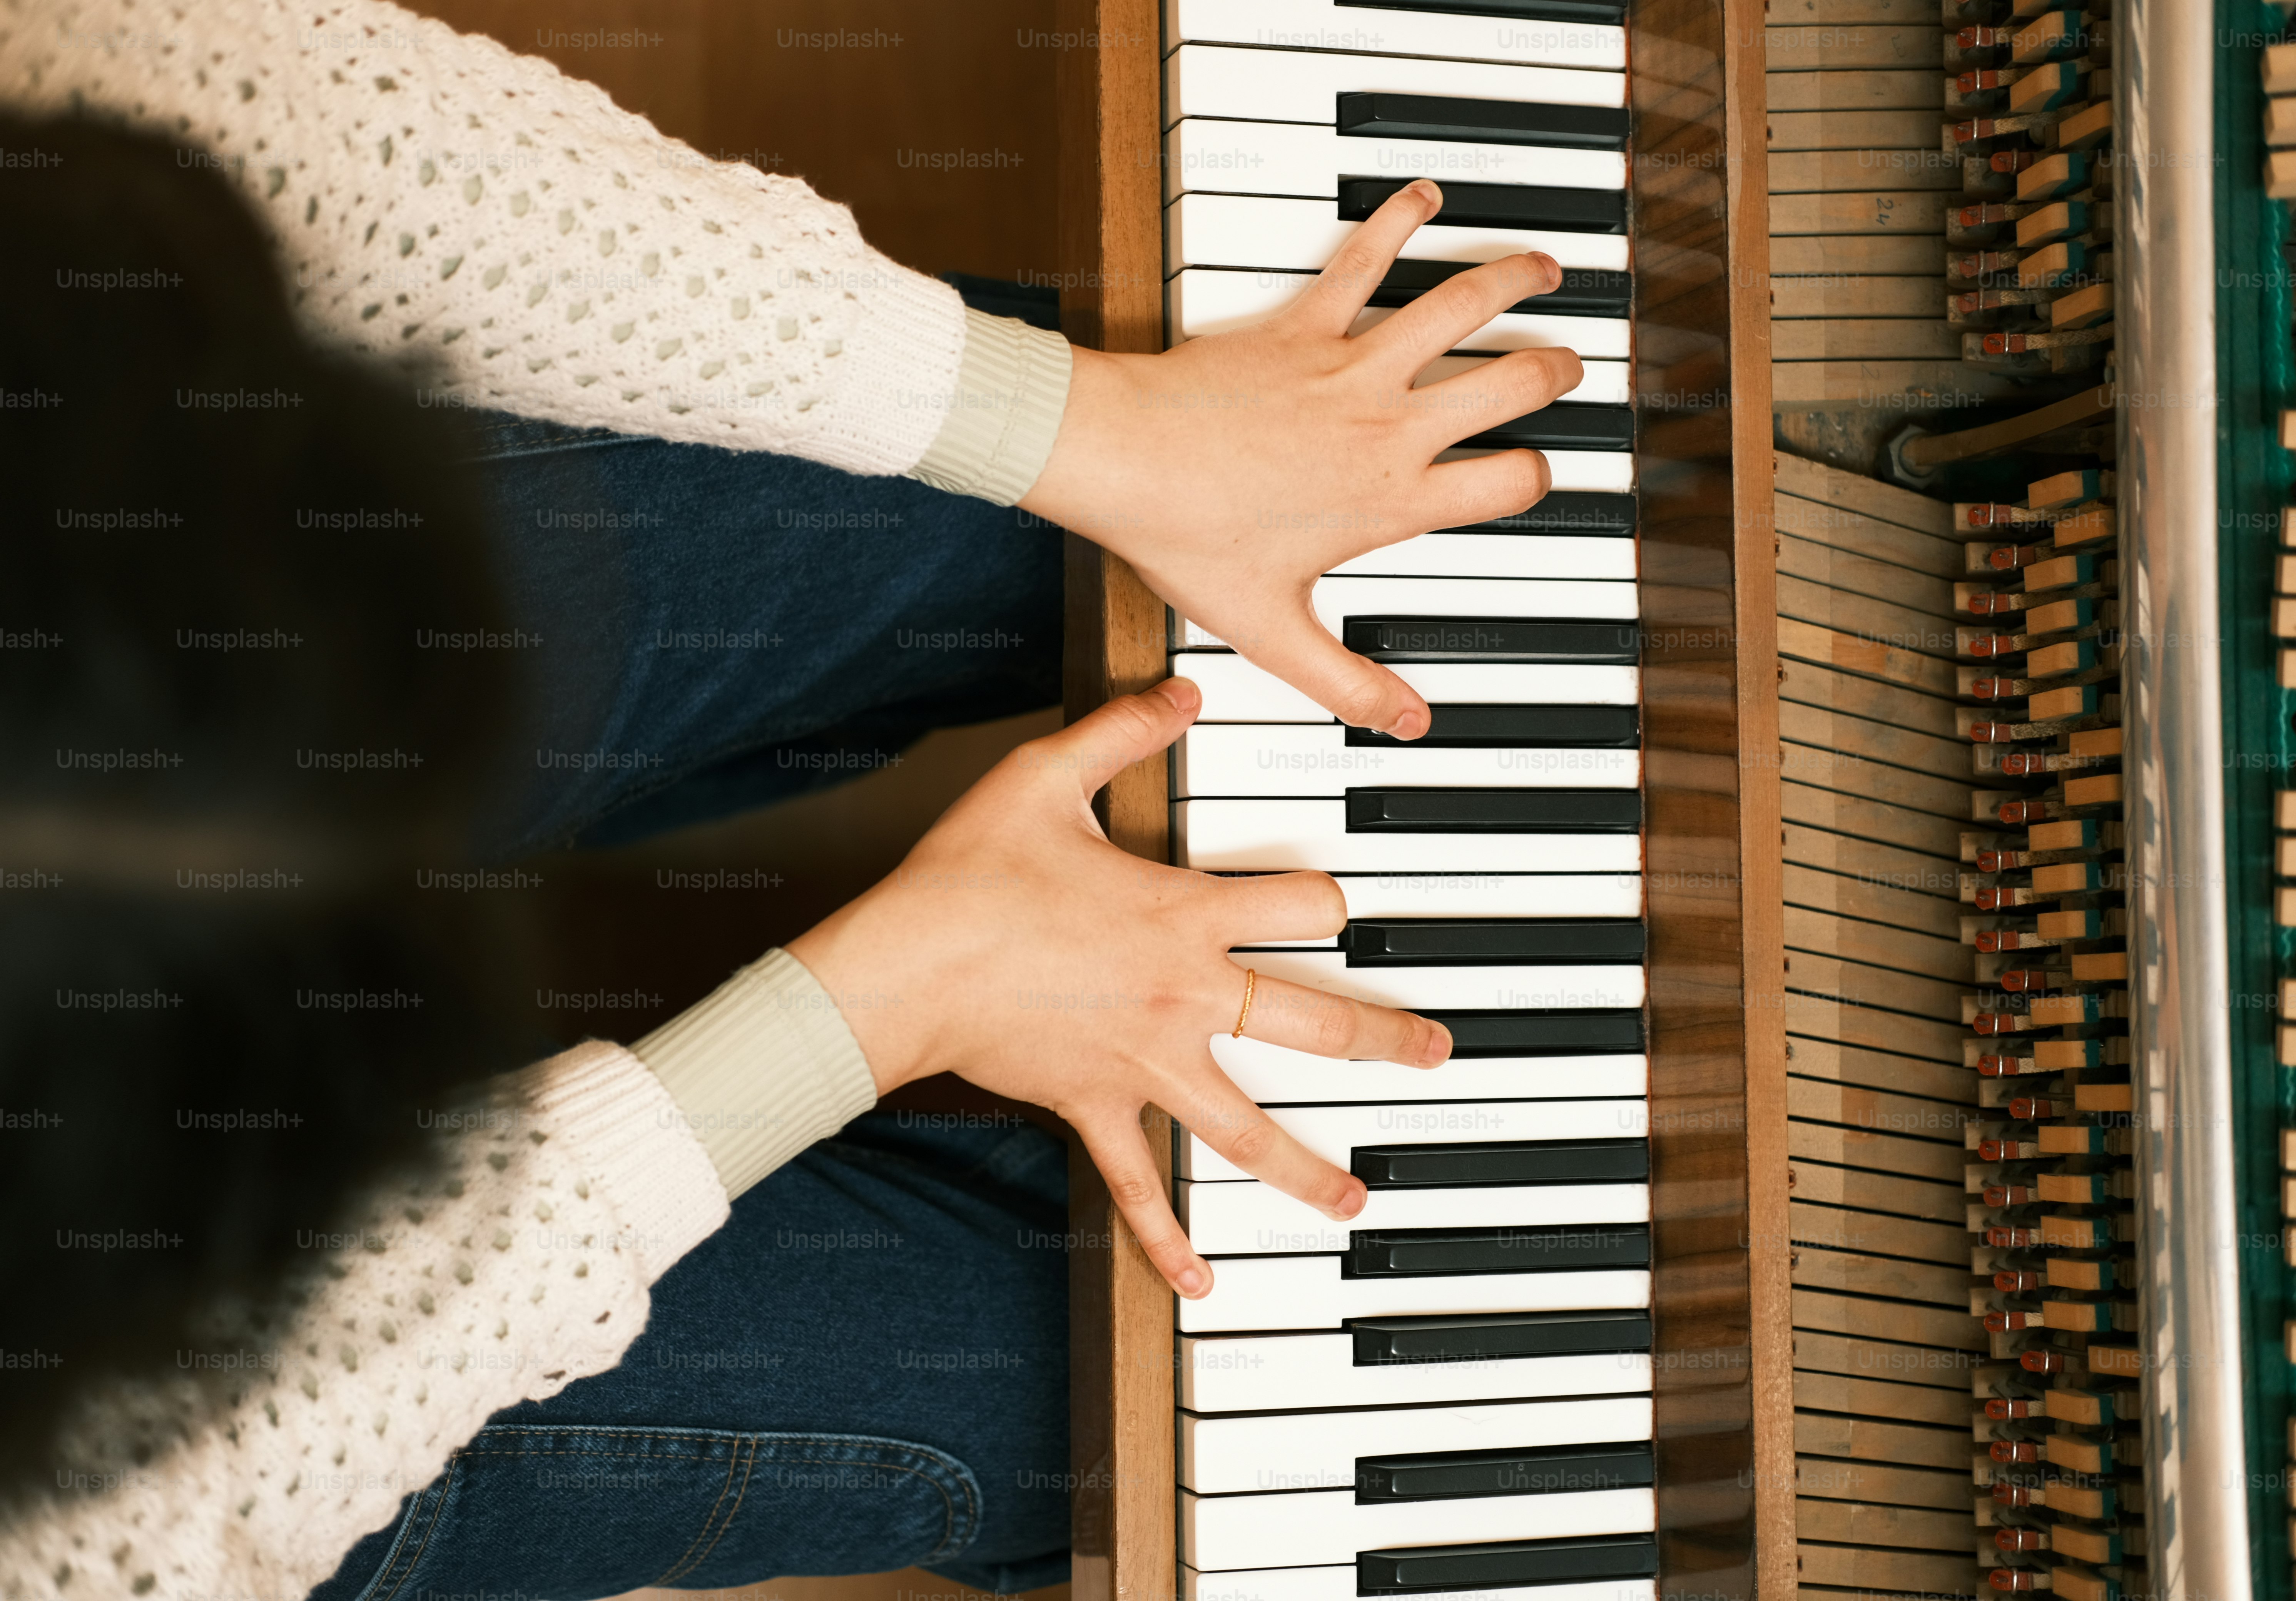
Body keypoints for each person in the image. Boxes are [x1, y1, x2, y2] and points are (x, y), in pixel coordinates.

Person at [0, 2, 1582, 1597]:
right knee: (1118, 1392)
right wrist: (895, 992)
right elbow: (169, 1478)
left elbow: (296, 136)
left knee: (965, 498)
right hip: (148, 1417)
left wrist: (1084, 427)